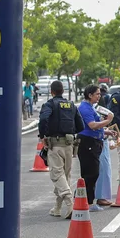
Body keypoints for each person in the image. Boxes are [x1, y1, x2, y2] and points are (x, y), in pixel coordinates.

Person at [38, 80, 86, 218]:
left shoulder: (50, 104)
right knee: (65, 176)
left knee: (57, 175)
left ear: (52, 92)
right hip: (69, 145)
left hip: (55, 144)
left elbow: (43, 120)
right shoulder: (71, 105)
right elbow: (81, 126)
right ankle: (57, 208)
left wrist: (43, 135)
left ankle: (70, 203)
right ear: (63, 91)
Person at [77, 84, 115, 211]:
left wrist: (106, 131)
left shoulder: (91, 107)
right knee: (91, 174)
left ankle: (82, 201)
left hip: (94, 142)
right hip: (88, 144)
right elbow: (92, 125)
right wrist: (108, 121)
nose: (99, 96)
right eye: (97, 94)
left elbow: (95, 127)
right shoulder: (85, 108)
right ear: (90, 95)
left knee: (92, 173)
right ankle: (87, 202)